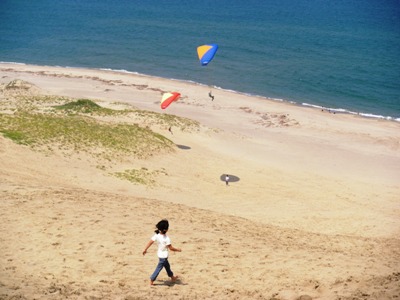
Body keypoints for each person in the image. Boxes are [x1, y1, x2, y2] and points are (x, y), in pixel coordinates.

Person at [142, 219, 182, 285]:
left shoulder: (157, 235)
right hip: (163, 256)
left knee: (167, 267)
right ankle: (152, 279)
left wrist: (145, 249)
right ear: (165, 230)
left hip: (160, 255)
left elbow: (151, 242)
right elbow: (171, 248)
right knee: (159, 268)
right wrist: (178, 250)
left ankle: (172, 277)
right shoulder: (166, 238)